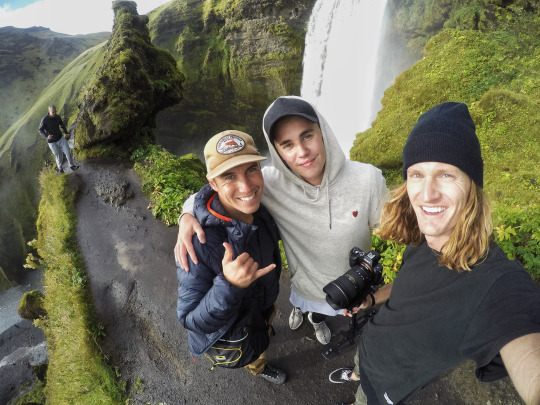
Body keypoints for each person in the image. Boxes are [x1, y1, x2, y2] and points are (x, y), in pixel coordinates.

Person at [329, 102, 540, 405]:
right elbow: (406, 287)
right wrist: (372, 299)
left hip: (388, 386)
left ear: (472, 188)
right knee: (362, 366)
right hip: (371, 345)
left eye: (446, 175)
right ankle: (354, 374)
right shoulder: (423, 239)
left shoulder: (498, 284)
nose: (427, 194)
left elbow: (524, 334)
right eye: (417, 174)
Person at [175, 96, 388, 344]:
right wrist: (187, 214)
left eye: (307, 136)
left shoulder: (368, 180)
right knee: (306, 306)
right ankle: (301, 311)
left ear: (323, 133)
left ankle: (316, 321)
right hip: (303, 285)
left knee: (321, 315)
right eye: (287, 144)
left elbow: (399, 230)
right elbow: (220, 189)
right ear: (277, 151)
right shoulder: (269, 184)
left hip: (349, 286)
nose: (302, 152)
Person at [176, 130, 287, 384]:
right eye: (229, 176)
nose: (246, 187)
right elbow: (190, 319)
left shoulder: (261, 211)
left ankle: (265, 333)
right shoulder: (198, 242)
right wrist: (230, 285)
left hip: (263, 305)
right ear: (212, 184)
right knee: (254, 351)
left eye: (251, 169)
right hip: (235, 326)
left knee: (265, 329)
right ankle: (258, 366)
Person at [38, 104, 79, 173]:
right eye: (53, 112)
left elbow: (62, 125)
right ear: (49, 111)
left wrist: (66, 132)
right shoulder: (44, 120)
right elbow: (40, 130)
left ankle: (72, 166)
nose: (54, 113)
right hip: (52, 142)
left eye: (55, 111)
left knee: (67, 151)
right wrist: (46, 135)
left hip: (60, 138)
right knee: (59, 155)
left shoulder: (57, 117)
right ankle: (60, 169)